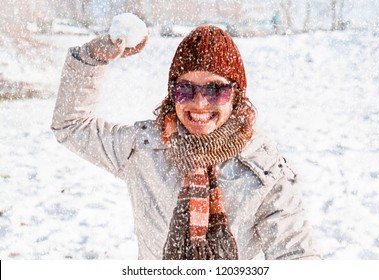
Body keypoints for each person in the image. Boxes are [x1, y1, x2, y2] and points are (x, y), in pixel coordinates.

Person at [51, 25, 320, 260]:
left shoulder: (264, 171)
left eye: (216, 89)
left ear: (236, 95)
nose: (200, 102)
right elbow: (70, 126)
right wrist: (90, 59)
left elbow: (296, 255)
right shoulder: (142, 148)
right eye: (185, 89)